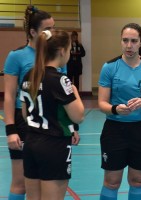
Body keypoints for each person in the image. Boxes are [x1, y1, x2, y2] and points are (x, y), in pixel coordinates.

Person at [98, 23, 141, 200]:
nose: (129, 45)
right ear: (121, 41)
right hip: (114, 130)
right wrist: (114, 109)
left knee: (137, 180)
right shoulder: (109, 67)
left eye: (133, 41)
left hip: (140, 130)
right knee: (112, 181)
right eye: (125, 40)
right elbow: (102, 103)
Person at [20, 30, 84, 200]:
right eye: (69, 49)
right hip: (54, 146)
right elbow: (79, 116)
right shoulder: (60, 79)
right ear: (62, 51)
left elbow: (26, 113)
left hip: (31, 143)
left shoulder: (29, 76)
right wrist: (74, 90)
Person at [3, 6, 54, 200]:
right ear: (33, 32)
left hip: (50, 124)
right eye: (47, 29)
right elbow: (9, 95)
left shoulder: (55, 55)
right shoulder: (16, 57)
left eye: (53, 29)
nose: (51, 34)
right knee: (21, 183)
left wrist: (71, 126)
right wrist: (11, 129)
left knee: (45, 182)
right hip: (24, 122)